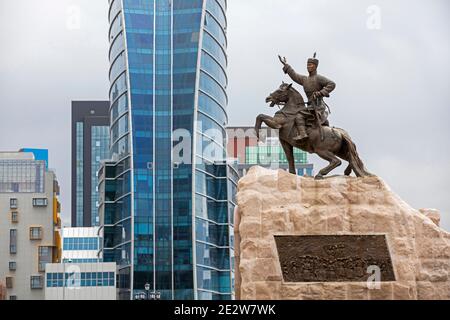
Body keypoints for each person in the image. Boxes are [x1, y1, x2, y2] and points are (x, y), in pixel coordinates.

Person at [279, 53, 336, 141]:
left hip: (318, 106)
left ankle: (303, 134)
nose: (308, 67)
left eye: (310, 65)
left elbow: (332, 84)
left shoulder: (319, 78)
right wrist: (286, 65)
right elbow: (295, 75)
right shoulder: (305, 79)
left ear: (315, 66)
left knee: (298, 116)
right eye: (307, 65)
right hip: (310, 106)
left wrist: (321, 92)